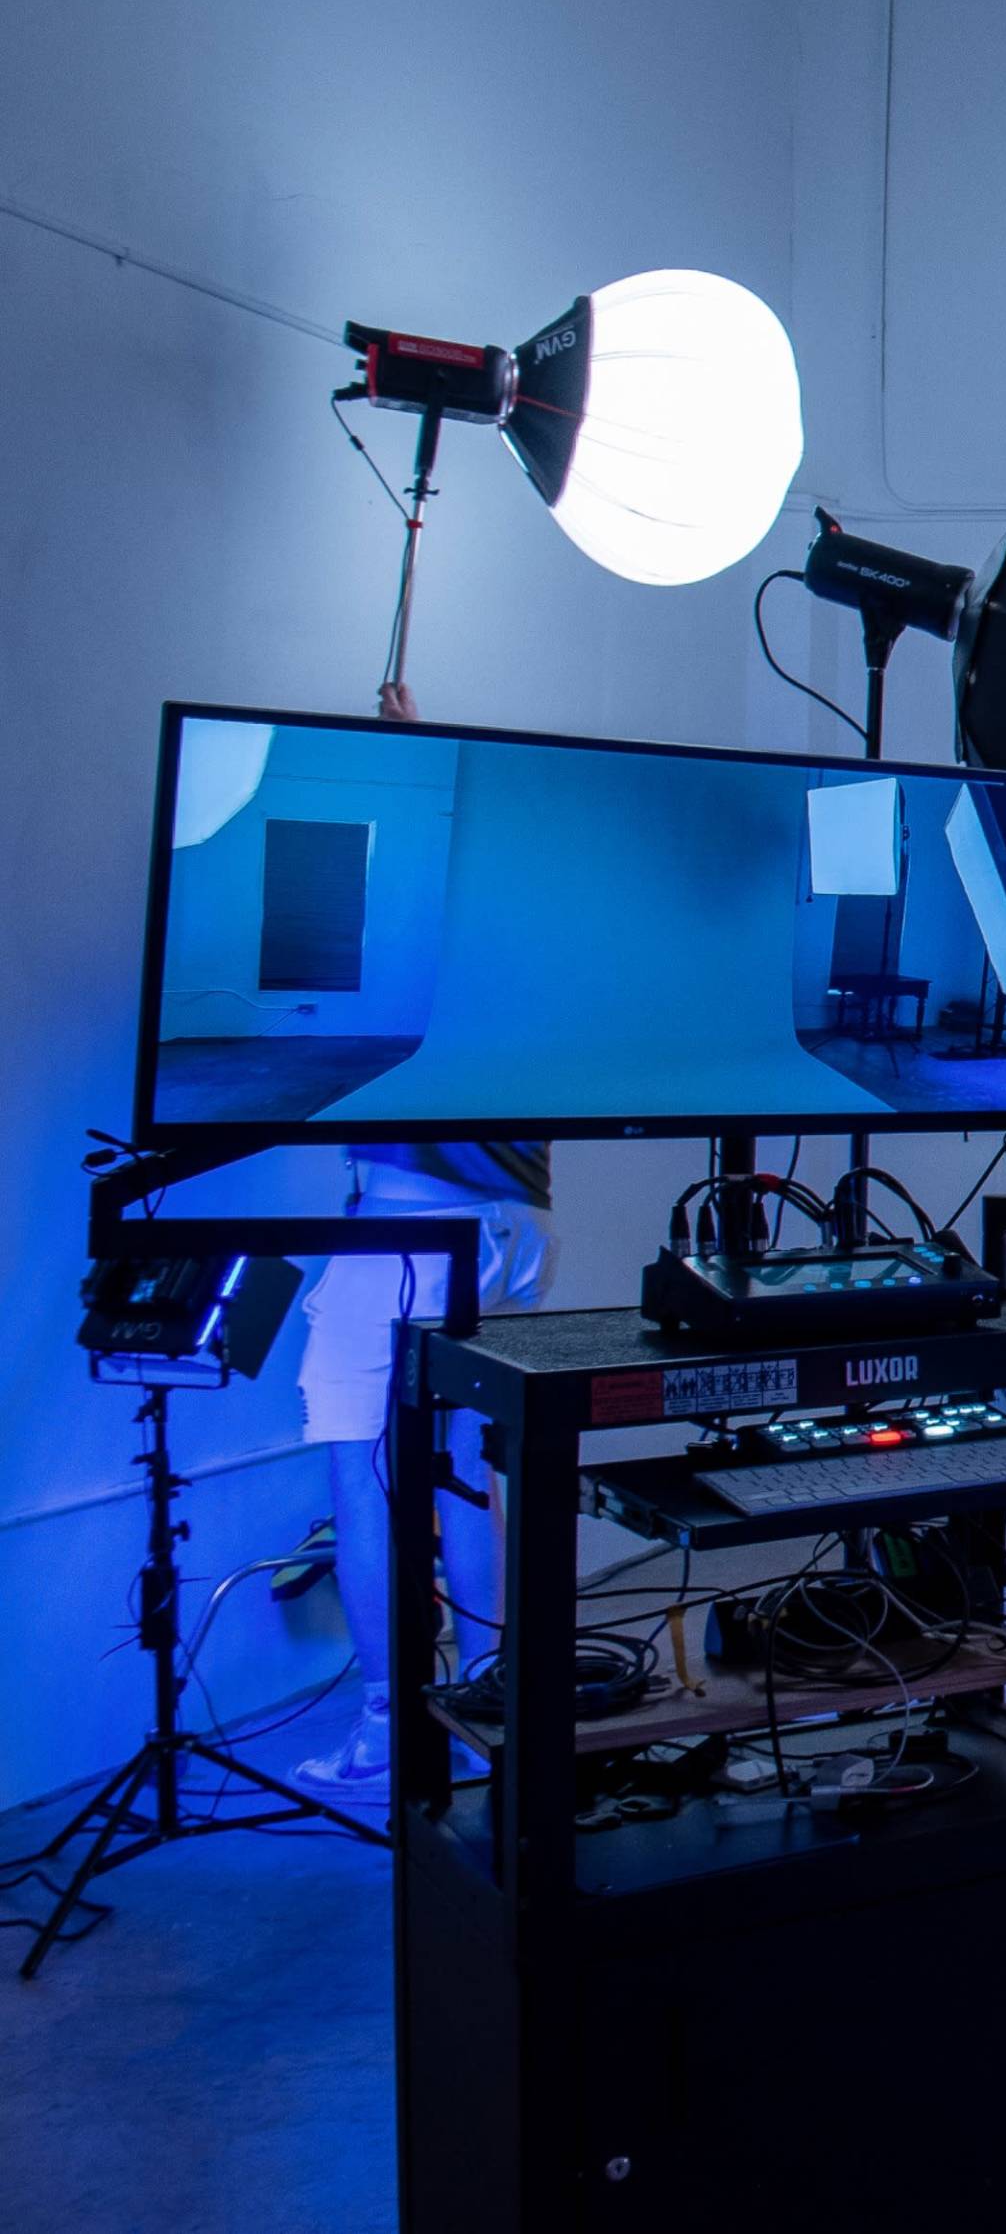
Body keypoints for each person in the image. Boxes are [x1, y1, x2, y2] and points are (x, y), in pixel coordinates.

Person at [291, 683, 556, 1797]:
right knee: (460, 1474)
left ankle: (388, 1722)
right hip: (512, 1222)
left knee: (366, 1470)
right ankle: (492, 1694)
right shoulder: (532, 911)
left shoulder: (422, 918)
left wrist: (401, 757)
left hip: (409, 1225)